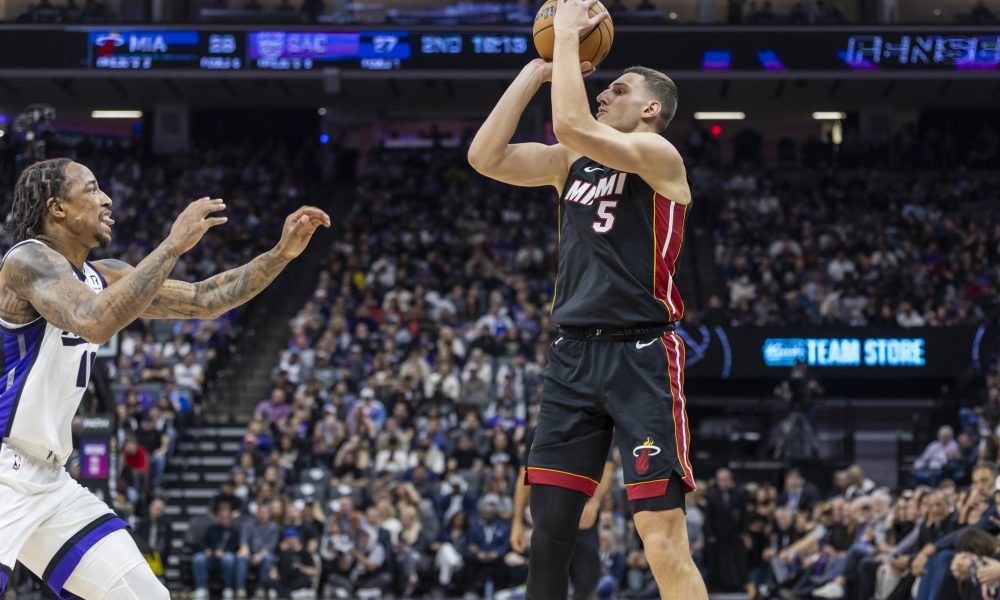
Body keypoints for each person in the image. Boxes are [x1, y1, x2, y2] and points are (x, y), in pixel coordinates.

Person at [0, 158, 329, 599]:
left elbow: (203, 299)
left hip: (49, 481)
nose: (106, 199)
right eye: (92, 189)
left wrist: (279, 255)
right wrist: (173, 245)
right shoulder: (27, 259)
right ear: (57, 207)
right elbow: (92, 321)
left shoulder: (103, 276)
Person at [467, 0, 705, 597]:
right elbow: (484, 157)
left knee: (660, 536)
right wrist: (537, 69)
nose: (605, 92)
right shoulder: (571, 162)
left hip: (641, 354)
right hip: (572, 354)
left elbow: (572, 123)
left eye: (619, 89)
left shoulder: (660, 155)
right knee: (548, 536)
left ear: (650, 109)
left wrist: (570, 38)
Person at [510, 427, 615, 599]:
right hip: (549, 517)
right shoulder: (539, 429)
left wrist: (594, 504)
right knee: (543, 585)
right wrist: (516, 523)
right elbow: (525, 477)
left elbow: (608, 468)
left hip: (582, 517)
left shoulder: (596, 426)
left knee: (587, 584)